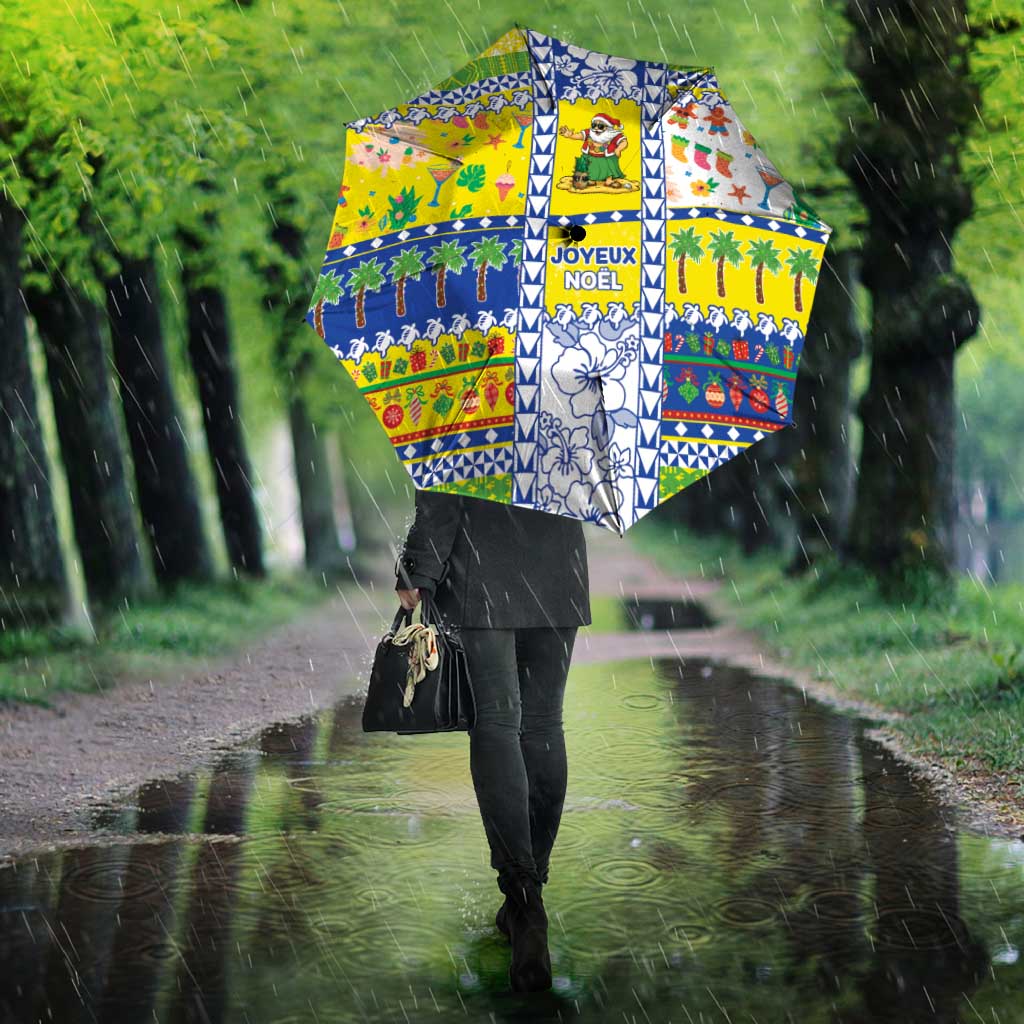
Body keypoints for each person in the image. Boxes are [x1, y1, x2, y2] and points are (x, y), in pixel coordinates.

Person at [394, 487, 591, 992]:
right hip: (558, 564)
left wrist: (419, 566)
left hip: (483, 565)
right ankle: (530, 895)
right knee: (543, 723)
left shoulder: (473, 427)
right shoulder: (575, 430)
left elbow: (444, 481)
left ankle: (523, 897)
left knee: (497, 722)